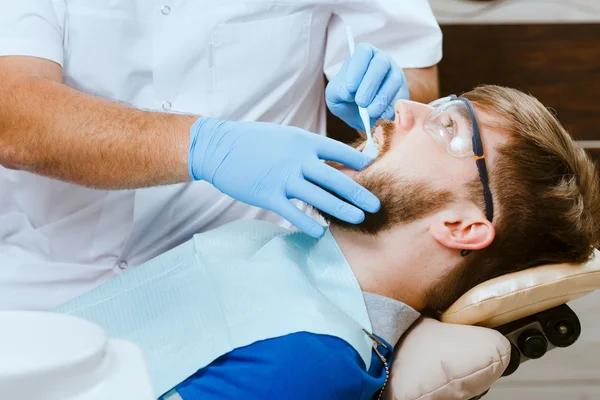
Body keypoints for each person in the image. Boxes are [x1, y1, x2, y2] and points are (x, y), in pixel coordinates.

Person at [56, 85, 600, 400]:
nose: (404, 110)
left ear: (461, 225)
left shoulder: (308, 360)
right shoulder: (278, 253)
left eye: (449, 128)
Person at [0, 1, 442, 311]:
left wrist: (386, 102)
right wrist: (205, 145)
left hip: (255, 278)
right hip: (43, 275)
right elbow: (13, 116)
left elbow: (414, 87)